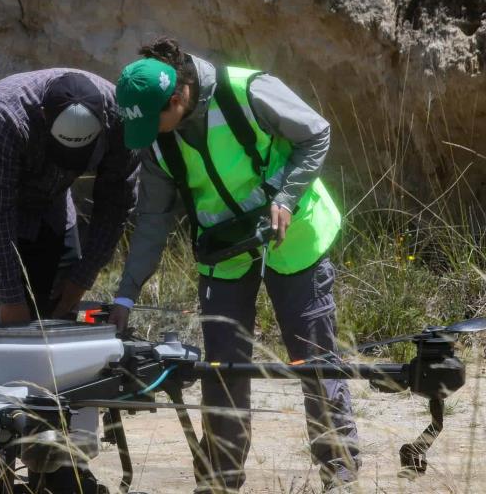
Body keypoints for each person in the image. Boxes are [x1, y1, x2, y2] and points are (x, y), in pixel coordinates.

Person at [108, 37, 361, 493]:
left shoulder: (249, 91)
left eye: (155, 121)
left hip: (294, 240)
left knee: (315, 363)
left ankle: (339, 476)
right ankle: (220, 481)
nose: (152, 134)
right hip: (223, 253)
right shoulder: (160, 145)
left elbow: (316, 133)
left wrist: (285, 197)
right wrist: (126, 292)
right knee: (222, 372)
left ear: (178, 97)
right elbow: (151, 222)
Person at [0, 68, 140, 493]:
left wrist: (81, 278)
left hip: (48, 208)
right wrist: (9, 297)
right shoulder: (1, 117)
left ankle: (60, 461)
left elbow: (116, 203)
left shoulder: (119, 117)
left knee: (62, 340)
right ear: (44, 119)